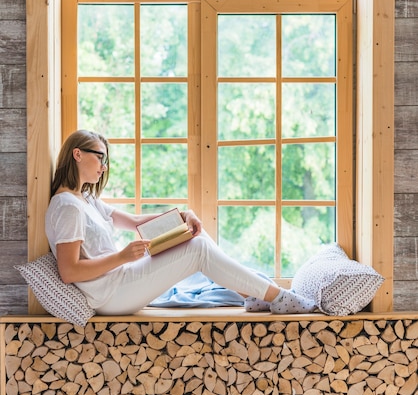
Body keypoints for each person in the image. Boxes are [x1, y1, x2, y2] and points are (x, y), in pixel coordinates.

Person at [45, 130, 316, 315]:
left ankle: (253, 293)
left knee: (193, 235)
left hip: (120, 281)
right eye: (100, 157)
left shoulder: (85, 199)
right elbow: (69, 272)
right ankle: (277, 296)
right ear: (77, 154)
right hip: (111, 295)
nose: (104, 166)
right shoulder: (67, 207)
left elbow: (136, 221)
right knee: (197, 249)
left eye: (106, 160)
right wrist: (122, 257)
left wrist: (183, 217)